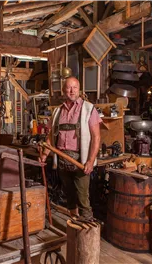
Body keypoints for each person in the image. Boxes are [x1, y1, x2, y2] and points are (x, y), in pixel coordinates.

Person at [39, 77, 101, 220]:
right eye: (68, 87)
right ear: (63, 91)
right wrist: (44, 155)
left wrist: (91, 161)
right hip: (62, 161)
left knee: (83, 199)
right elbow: (51, 136)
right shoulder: (57, 112)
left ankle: (87, 231)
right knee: (69, 197)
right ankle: (74, 223)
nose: (71, 91)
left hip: (81, 161)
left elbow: (96, 138)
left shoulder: (88, 108)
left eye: (74, 88)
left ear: (79, 90)